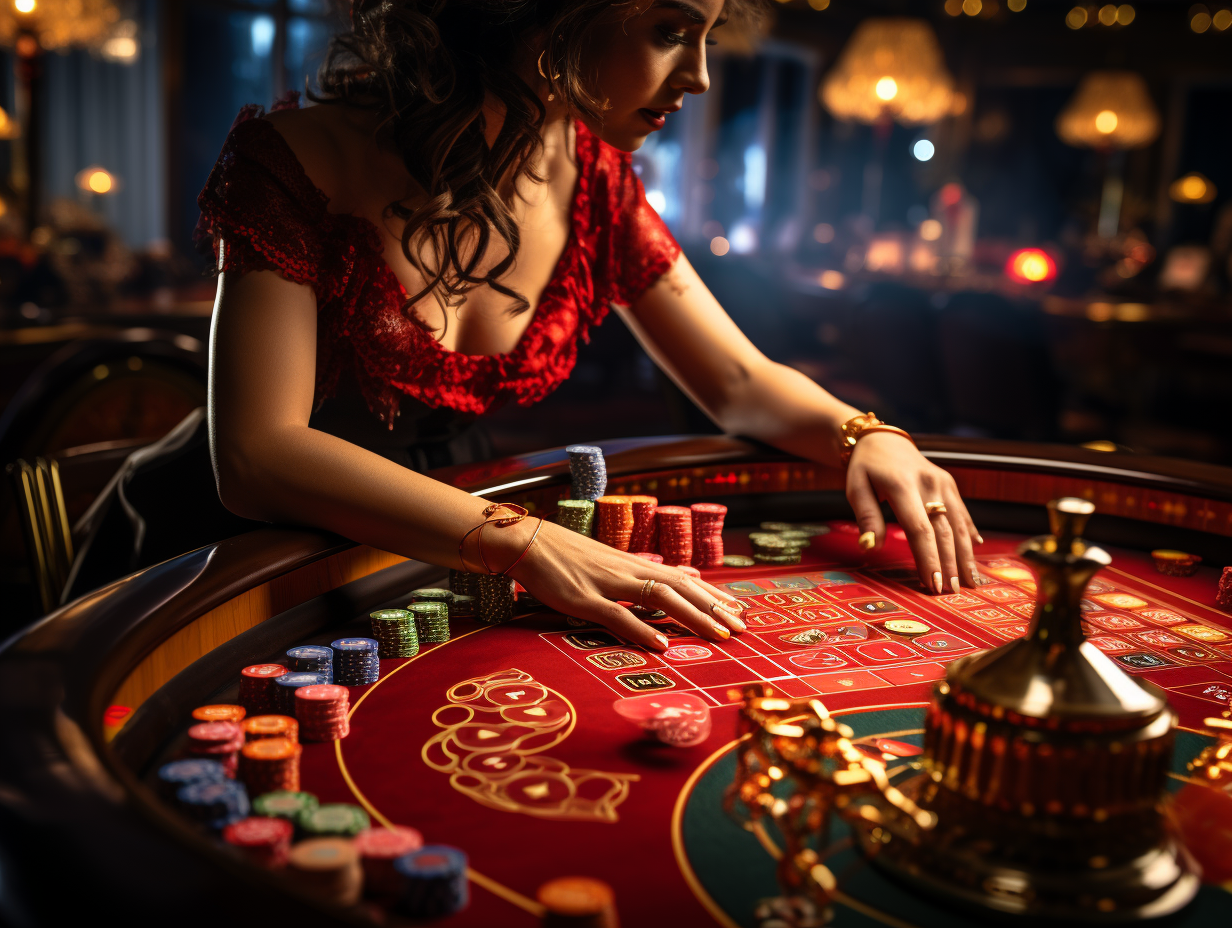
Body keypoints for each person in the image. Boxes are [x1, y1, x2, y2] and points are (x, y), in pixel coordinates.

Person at [200, 0, 981, 654]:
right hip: (244, 555)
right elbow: (258, 453)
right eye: (672, 30)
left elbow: (739, 382)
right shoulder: (296, 156)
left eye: (706, 38)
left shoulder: (594, 178)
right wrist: (525, 541)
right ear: (558, 12)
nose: (701, 76)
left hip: (438, 533)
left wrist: (866, 434)